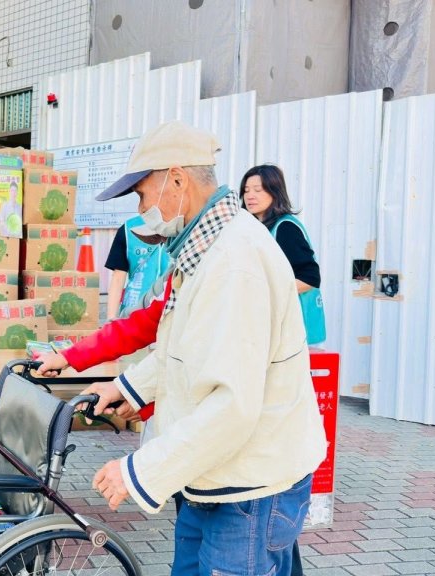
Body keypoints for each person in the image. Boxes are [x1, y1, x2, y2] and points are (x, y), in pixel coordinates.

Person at [83, 121, 327, 576]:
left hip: (250, 489)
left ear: (177, 180)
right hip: (212, 474)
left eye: (141, 196)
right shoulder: (205, 246)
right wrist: (127, 388)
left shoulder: (234, 262)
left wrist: (139, 471)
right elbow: (183, 346)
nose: (141, 211)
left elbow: (232, 407)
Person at [240, 164, 325, 346]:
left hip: (293, 332)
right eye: (246, 190)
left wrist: (264, 291)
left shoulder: (285, 228)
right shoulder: (256, 229)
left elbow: (310, 278)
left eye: (258, 190)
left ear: (275, 192)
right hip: (275, 329)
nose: (250, 196)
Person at [104, 214, 170, 320]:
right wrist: (111, 319)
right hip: (134, 310)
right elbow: (118, 278)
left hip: (168, 308)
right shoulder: (128, 229)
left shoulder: (180, 226)